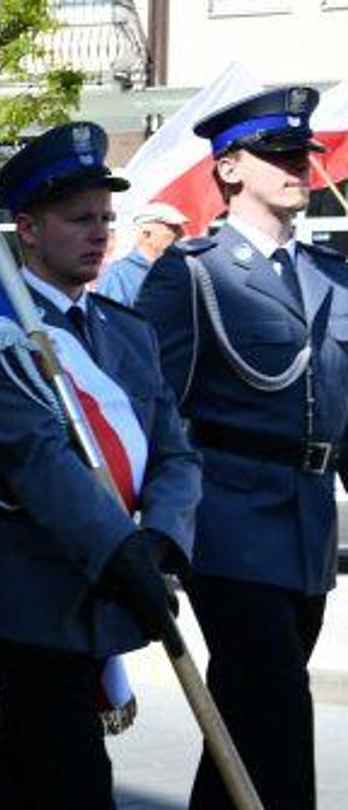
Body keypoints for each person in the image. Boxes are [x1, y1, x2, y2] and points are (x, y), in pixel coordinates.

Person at [0, 122, 199, 806]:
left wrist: (163, 537)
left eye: (107, 218)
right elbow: (38, 460)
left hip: (111, 576)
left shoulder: (127, 328)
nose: (100, 233)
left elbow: (174, 449)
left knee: (21, 775)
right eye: (79, 218)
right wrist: (124, 557)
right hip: (27, 590)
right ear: (28, 227)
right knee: (73, 776)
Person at [136, 86, 348, 810]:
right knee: (279, 705)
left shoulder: (331, 278)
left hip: (307, 524)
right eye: (278, 154)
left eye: (302, 154)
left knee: (246, 713)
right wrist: (156, 527)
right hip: (228, 518)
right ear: (229, 169)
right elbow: (151, 406)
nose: (299, 166)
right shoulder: (193, 272)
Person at [95, 202, 188, 305]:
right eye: (173, 228)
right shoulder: (118, 274)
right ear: (146, 234)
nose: (182, 234)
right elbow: (109, 317)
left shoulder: (179, 270)